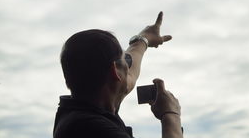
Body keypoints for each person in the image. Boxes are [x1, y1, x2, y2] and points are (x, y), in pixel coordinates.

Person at [53, 12, 183, 138]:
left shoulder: (85, 107)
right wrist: (171, 115)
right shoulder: (95, 129)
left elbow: (128, 76)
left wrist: (144, 38)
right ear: (115, 72)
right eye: (125, 60)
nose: (129, 65)